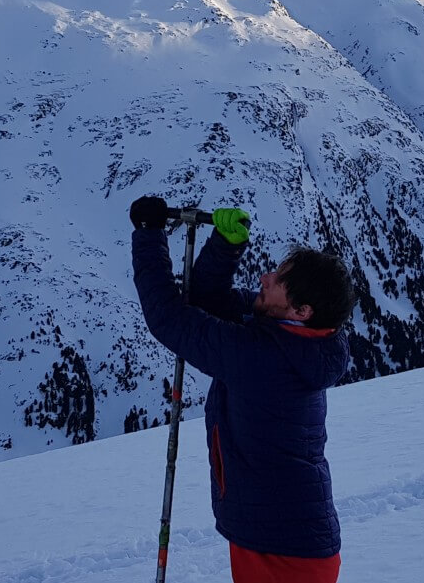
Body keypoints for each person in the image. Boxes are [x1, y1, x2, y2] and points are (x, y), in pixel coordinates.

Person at [128, 195, 356, 583]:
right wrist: (224, 247)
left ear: (302, 310)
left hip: (284, 553)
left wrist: (149, 237)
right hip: (283, 535)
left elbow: (171, 319)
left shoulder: (266, 359)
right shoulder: (296, 338)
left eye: (278, 281)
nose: (265, 279)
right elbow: (207, 302)